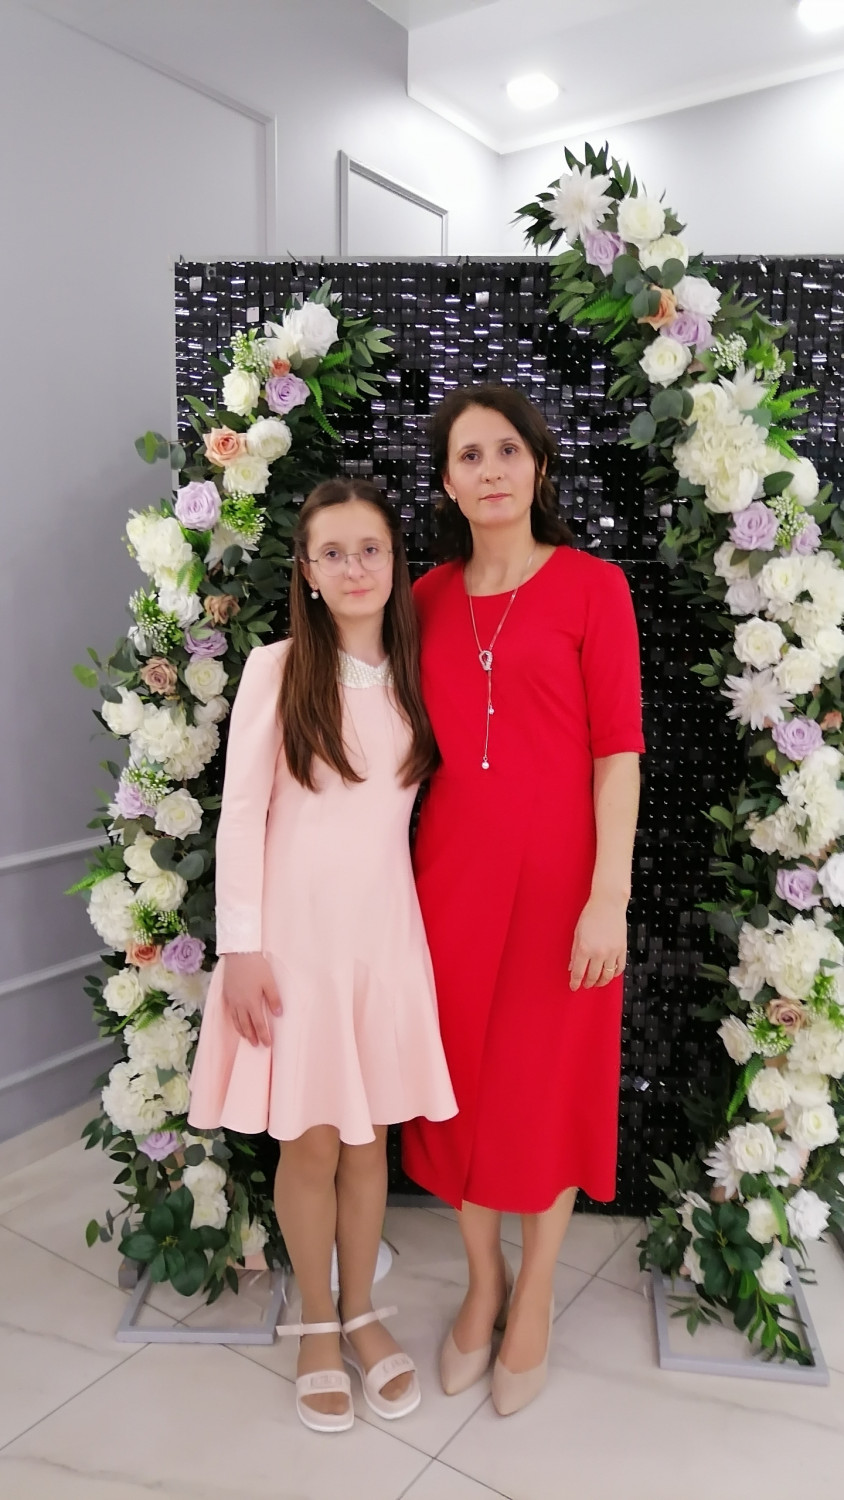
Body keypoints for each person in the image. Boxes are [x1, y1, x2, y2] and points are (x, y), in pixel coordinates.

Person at [188, 478, 457, 1434]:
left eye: (369, 549)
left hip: (381, 940)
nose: (353, 568)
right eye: (332, 553)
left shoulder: (417, 670)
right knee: (307, 1140)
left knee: (367, 1139)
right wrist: (242, 949)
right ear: (305, 570)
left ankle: (363, 1312)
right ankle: (313, 1318)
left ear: (395, 561)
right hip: (293, 947)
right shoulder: (278, 669)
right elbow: (241, 817)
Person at [402, 384, 644, 1416]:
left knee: (547, 1090)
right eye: (470, 455)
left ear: (537, 467)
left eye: (507, 449)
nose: (491, 469)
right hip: (448, 883)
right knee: (457, 1090)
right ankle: (483, 1280)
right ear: (448, 483)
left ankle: (536, 1290)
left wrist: (608, 896)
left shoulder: (595, 587)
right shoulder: (421, 599)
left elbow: (618, 753)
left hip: (563, 889)